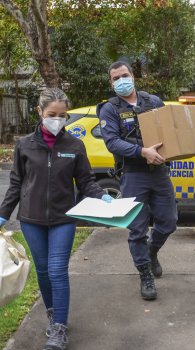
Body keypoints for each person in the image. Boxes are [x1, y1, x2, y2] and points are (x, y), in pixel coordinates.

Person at [0, 88, 113, 350]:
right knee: (42, 271)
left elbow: (85, 181)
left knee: (57, 270)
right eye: (52, 114)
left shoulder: (74, 145)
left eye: (62, 115)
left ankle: (59, 329)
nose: (57, 119)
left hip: (63, 218)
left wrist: (102, 196)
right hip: (31, 219)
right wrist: (4, 214)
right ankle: (53, 313)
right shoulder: (24, 145)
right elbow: (16, 183)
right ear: (40, 112)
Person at [96, 61, 178, 301]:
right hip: (133, 175)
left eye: (125, 75)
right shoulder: (109, 109)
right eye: (116, 78)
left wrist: (194, 146)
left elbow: (171, 134)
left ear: (133, 76)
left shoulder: (153, 102)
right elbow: (111, 142)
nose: (121, 80)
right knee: (137, 229)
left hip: (160, 172)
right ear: (111, 83)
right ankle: (145, 275)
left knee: (169, 222)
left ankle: (151, 253)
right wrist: (142, 152)